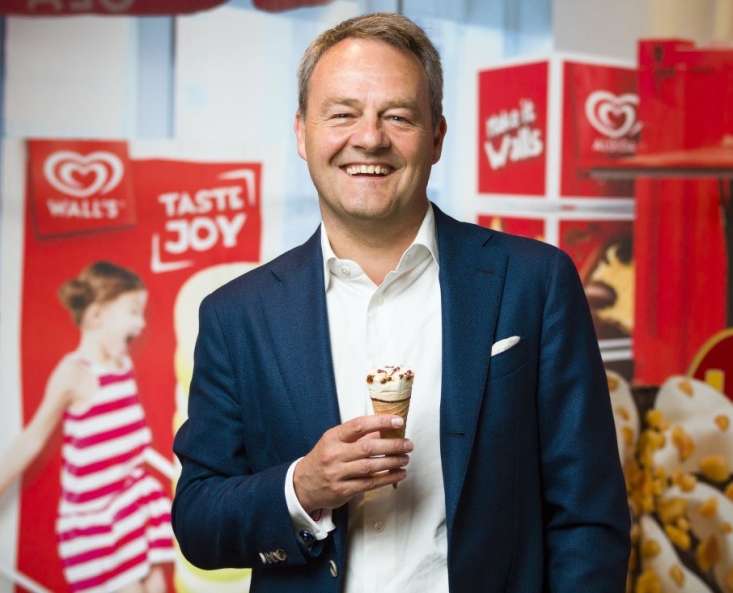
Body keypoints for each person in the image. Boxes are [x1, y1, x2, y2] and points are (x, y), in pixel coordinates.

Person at [172, 12, 631, 593]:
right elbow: (199, 520)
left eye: (398, 116)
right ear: (302, 133)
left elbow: (588, 517)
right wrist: (302, 488)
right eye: (342, 114)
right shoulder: (237, 315)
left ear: (436, 136)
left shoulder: (534, 283)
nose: (369, 138)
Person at [0, 261, 175, 593]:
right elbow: (32, 438)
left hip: (134, 503)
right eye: (133, 311)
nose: (141, 323)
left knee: (158, 585)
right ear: (96, 315)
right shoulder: (74, 373)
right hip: (96, 522)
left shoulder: (123, 364)